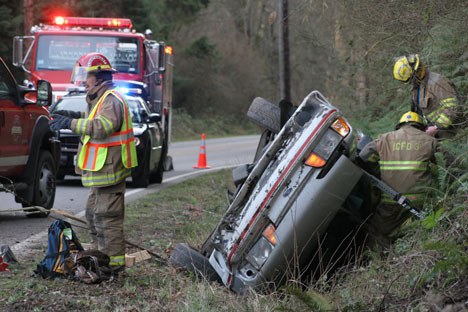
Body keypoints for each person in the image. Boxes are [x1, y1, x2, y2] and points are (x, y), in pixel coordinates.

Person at [49, 53, 138, 272]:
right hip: (100, 173)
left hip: (110, 171)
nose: (83, 80)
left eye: (86, 75)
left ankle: (113, 266)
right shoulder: (99, 98)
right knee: (92, 215)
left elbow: (101, 127)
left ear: (98, 77)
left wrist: (70, 123)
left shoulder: (110, 99)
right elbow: (91, 119)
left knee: (108, 219)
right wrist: (69, 114)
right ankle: (100, 257)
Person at [359, 111, 439, 246]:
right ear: (421, 127)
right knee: (426, 230)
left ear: (399, 126)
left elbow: (363, 156)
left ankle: (382, 259)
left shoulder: (384, 139)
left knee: (377, 232)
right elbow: (452, 164)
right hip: (423, 200)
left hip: (391, 199)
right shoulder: (430, 141)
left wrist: (377, 169)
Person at [393, 54, 461, 139]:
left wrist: (436, 127)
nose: (410, 82)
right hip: (429, 136)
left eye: (410, 79)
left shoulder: (438, 82)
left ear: (417, 72)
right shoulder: (417, 87)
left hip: (446, 135)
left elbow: (453, 108)